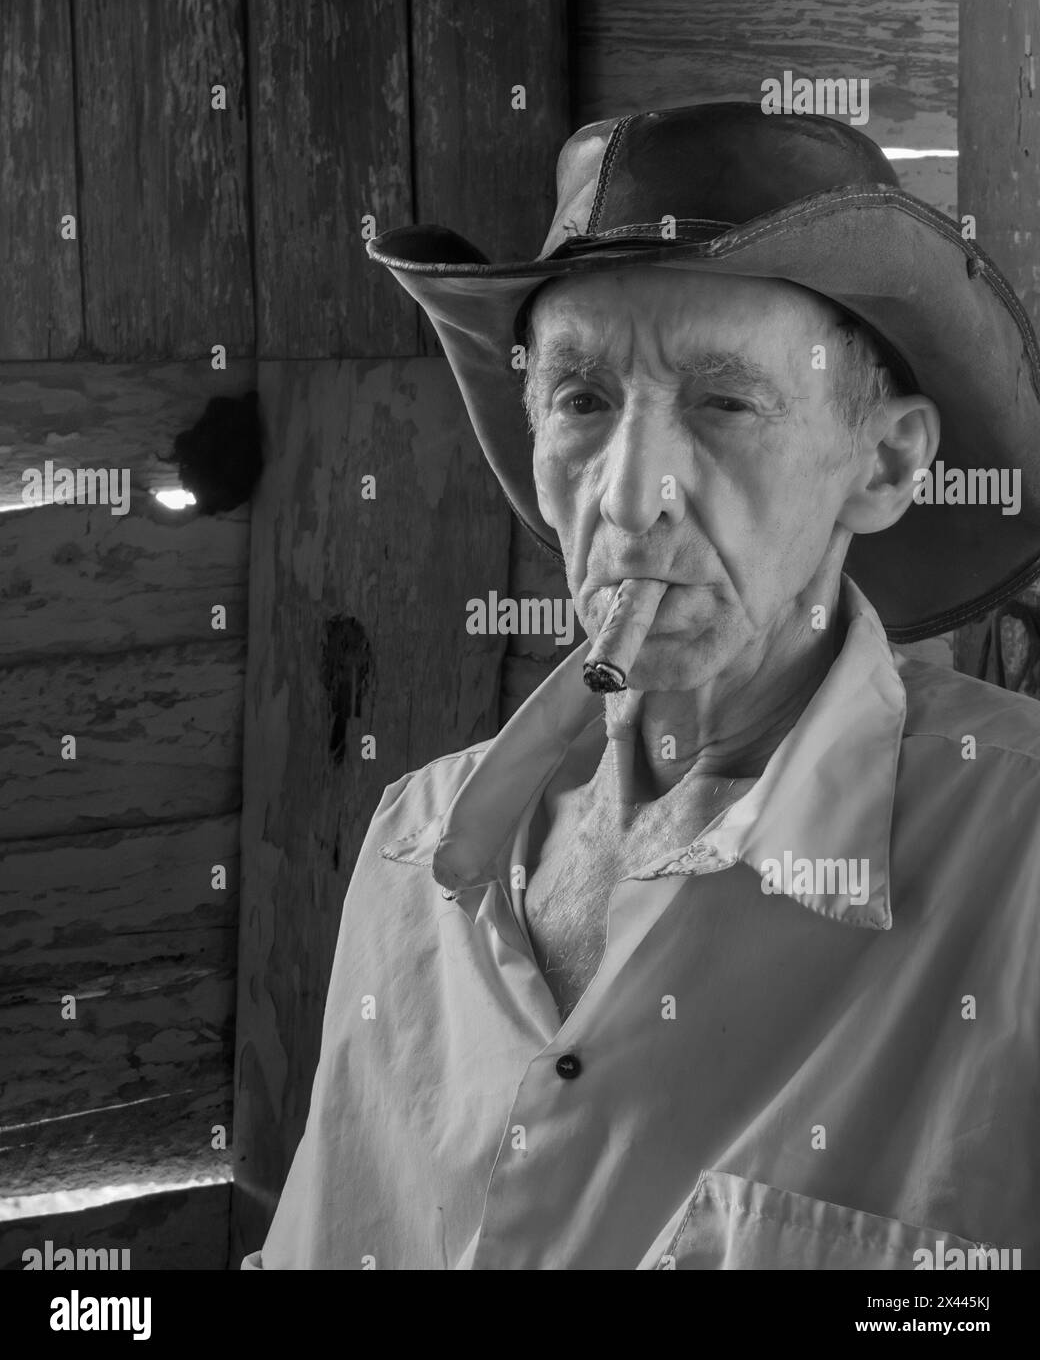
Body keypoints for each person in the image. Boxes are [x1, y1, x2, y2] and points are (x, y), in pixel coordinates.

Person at [242, 103, 1040, 1270]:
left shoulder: (1014, 850)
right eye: (581, 401)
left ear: (882, 462)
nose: (628, 498)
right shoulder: (417, 843)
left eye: (722, 405)